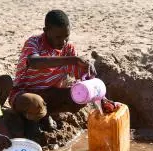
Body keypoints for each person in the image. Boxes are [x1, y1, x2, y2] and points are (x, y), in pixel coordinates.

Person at [9, 9, 97, 138]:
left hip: (51, 94)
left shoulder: (68, 49)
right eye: (58, 37)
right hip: (24, 95)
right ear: (46, 31)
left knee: (81, 96)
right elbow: (34, 62)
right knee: (35, 103)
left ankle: (45, 114)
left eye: (66, 37)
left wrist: (87, 71)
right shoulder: (34, 43)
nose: (63, 42)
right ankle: (30, 121)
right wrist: (73, 60)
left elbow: (79, 73)